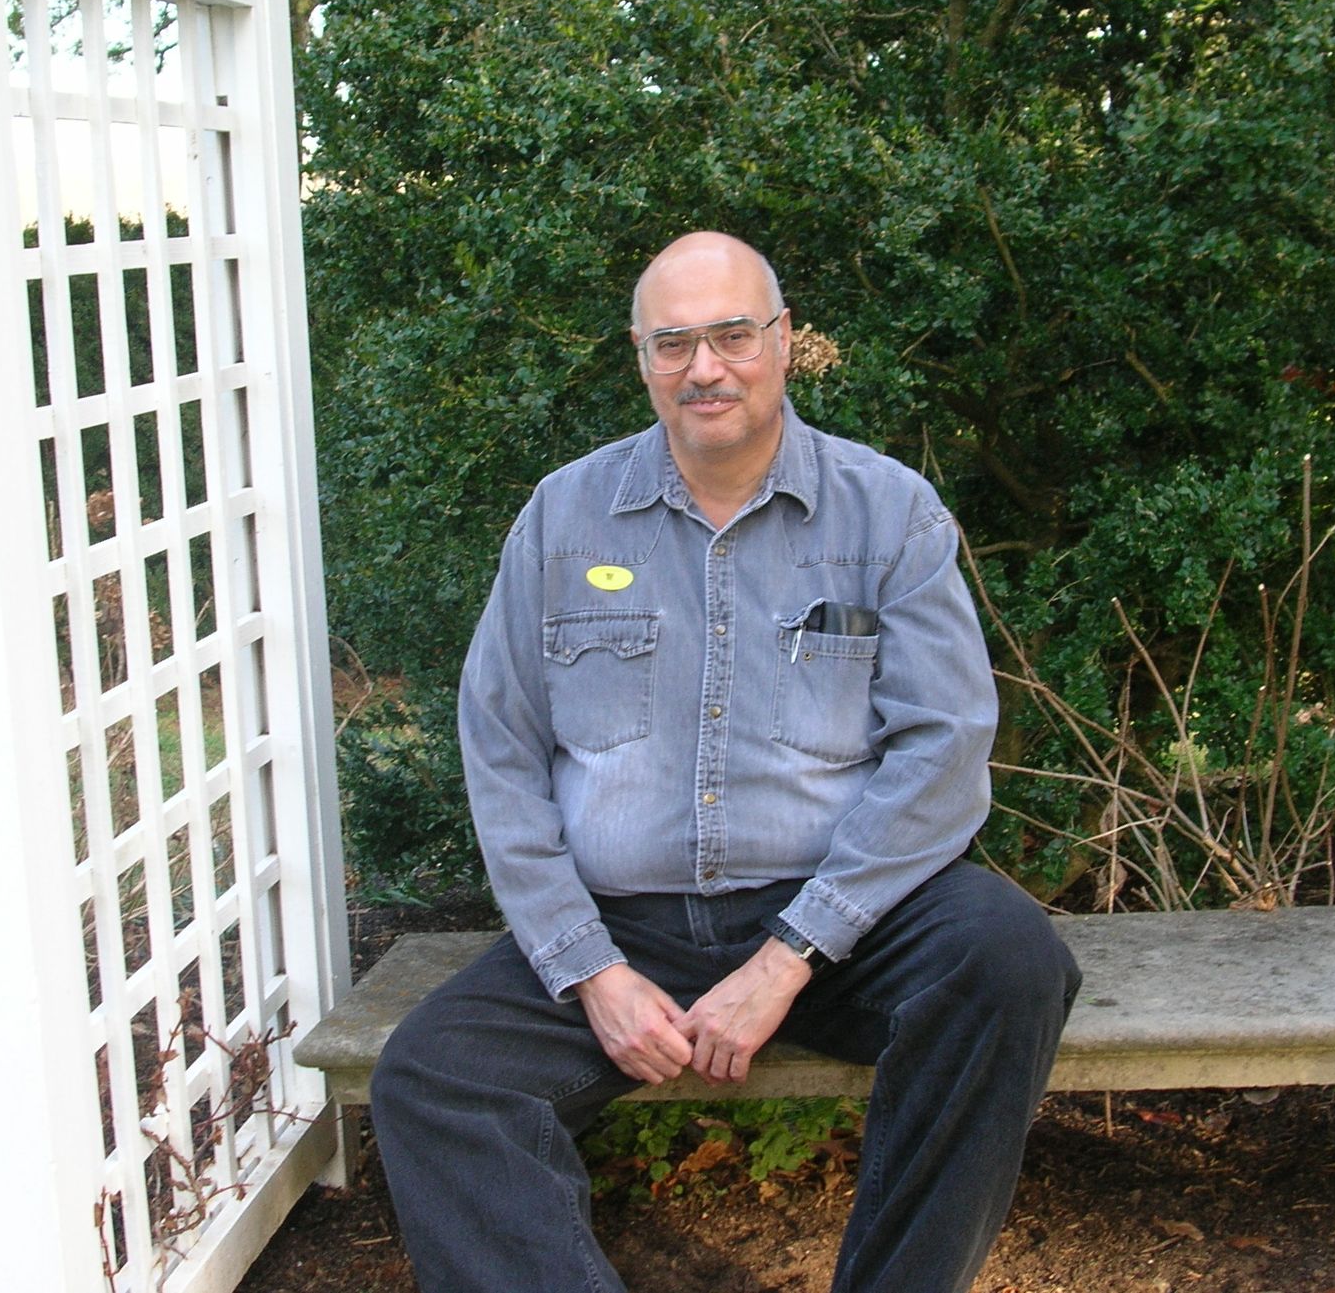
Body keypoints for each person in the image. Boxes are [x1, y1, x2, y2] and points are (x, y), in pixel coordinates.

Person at [369, 231, 1081, 1292]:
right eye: (674, 343)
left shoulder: (885, 512)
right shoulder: (563, 516)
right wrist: (590, 972)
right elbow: (500, 747)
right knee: (433, 1083)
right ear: (640, 357)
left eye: (732, 335)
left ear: (783, 341)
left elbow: (943, 747)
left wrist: (790, 955)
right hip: (624, 933)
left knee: (1007, 958)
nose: (705, 367)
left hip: (836, 927)